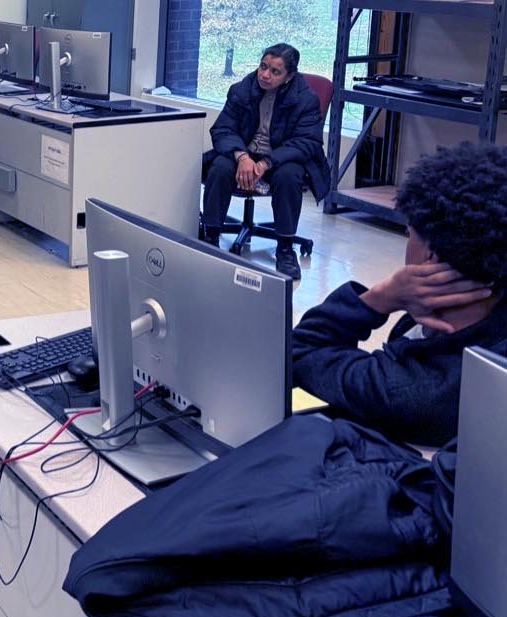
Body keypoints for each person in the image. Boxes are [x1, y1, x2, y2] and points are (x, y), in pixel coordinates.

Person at [292, 142, 507, 447]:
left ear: (430, 256)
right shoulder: (488, 308)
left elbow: (299, 353)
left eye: (409, 234)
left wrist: (382, 297)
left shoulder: (404, 391)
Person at [201, 43, 331, 280]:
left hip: (280, 160)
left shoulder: (306, 99)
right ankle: (210, 235)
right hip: (245, 153)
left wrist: (266, 163)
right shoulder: (242, 89)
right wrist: (242, 156)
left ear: (289, 76)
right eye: (263, 66)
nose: (265, 75)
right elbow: (222, 129)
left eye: (274, 71)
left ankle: (285, 248)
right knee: (220, 166)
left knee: (290, 175)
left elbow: (306, 142)